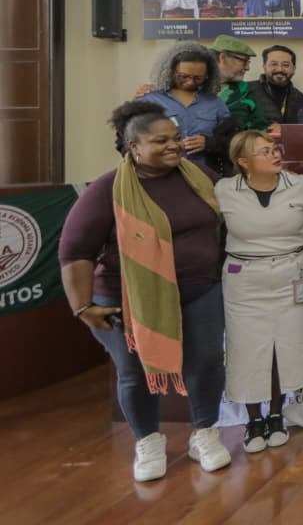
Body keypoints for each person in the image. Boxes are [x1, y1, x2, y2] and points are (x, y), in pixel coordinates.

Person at [58, 101, 229, 481]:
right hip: (127, 298)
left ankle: (204, 433)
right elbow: (74, 250)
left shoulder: (198, 176)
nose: (174, 146)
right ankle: (148, 440)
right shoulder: (108, 189)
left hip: (200, 288)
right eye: (160, 141)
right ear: (133, 147)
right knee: (134, 373)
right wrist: (82, 306)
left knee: (206, 363)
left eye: (176, 138)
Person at [215, 130, 303, 454]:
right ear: (244, 162)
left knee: (285, 346)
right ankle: (253, 420)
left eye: (275, 148)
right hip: (244, 278)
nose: (275, 154)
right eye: (264, 152)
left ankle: (277, 414)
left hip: (290, 273)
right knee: (247, 348)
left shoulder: (299, 185)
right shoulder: (224, 190)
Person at [138, 42, 232, 170]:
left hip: (203, 175)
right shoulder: (150, 99)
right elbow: (127, 140)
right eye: (183, 76)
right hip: (159, 174)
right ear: (170, 71)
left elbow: (231, 141)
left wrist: (209, 143)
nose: (190, 82)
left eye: (198, 78)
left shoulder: (215, 104)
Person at [249, 45, 303, 129]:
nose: (279, 69)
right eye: (274, 64)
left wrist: (285, 129)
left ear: (294, 69)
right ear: (264, 67)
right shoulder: (247, 91)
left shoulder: (300, 98)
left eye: (286, 65)